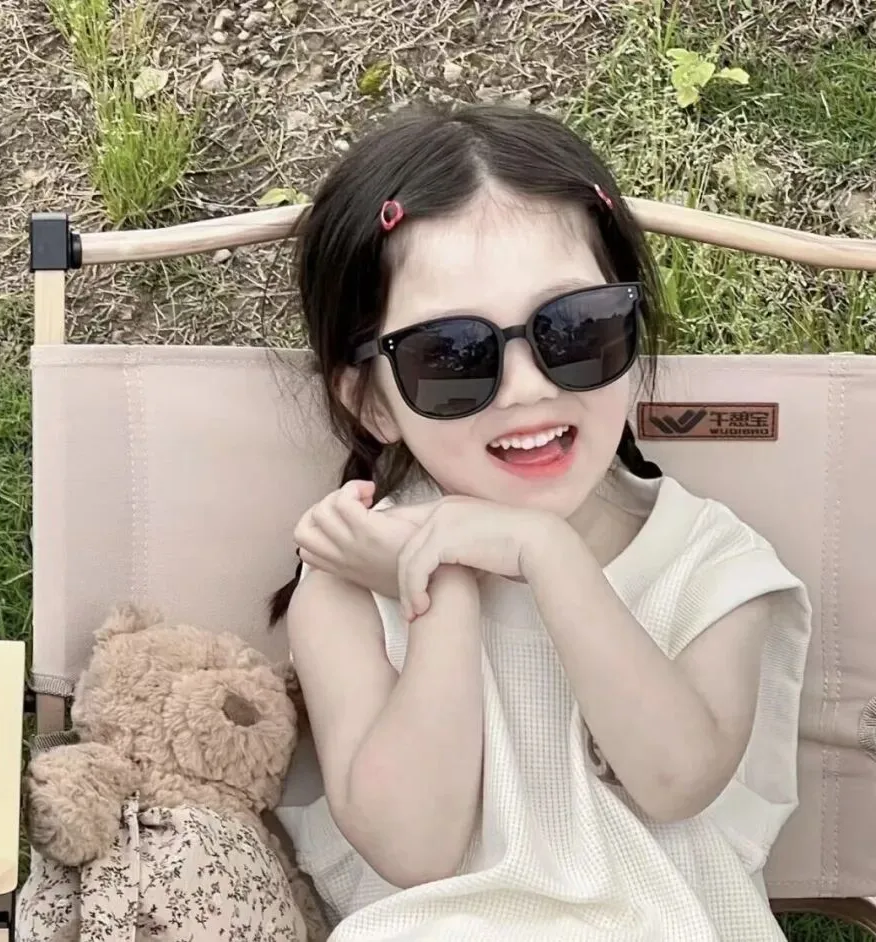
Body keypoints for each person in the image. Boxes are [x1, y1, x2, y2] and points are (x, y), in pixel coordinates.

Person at [269, 103, 813, 941]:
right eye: (452, 354)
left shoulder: (709, 565)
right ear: (372, 403)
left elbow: (675, 781)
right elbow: (412, 846)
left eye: (577, 328)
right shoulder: (351, 577)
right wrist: (441, 592)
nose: (528, 387)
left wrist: (549, 554)